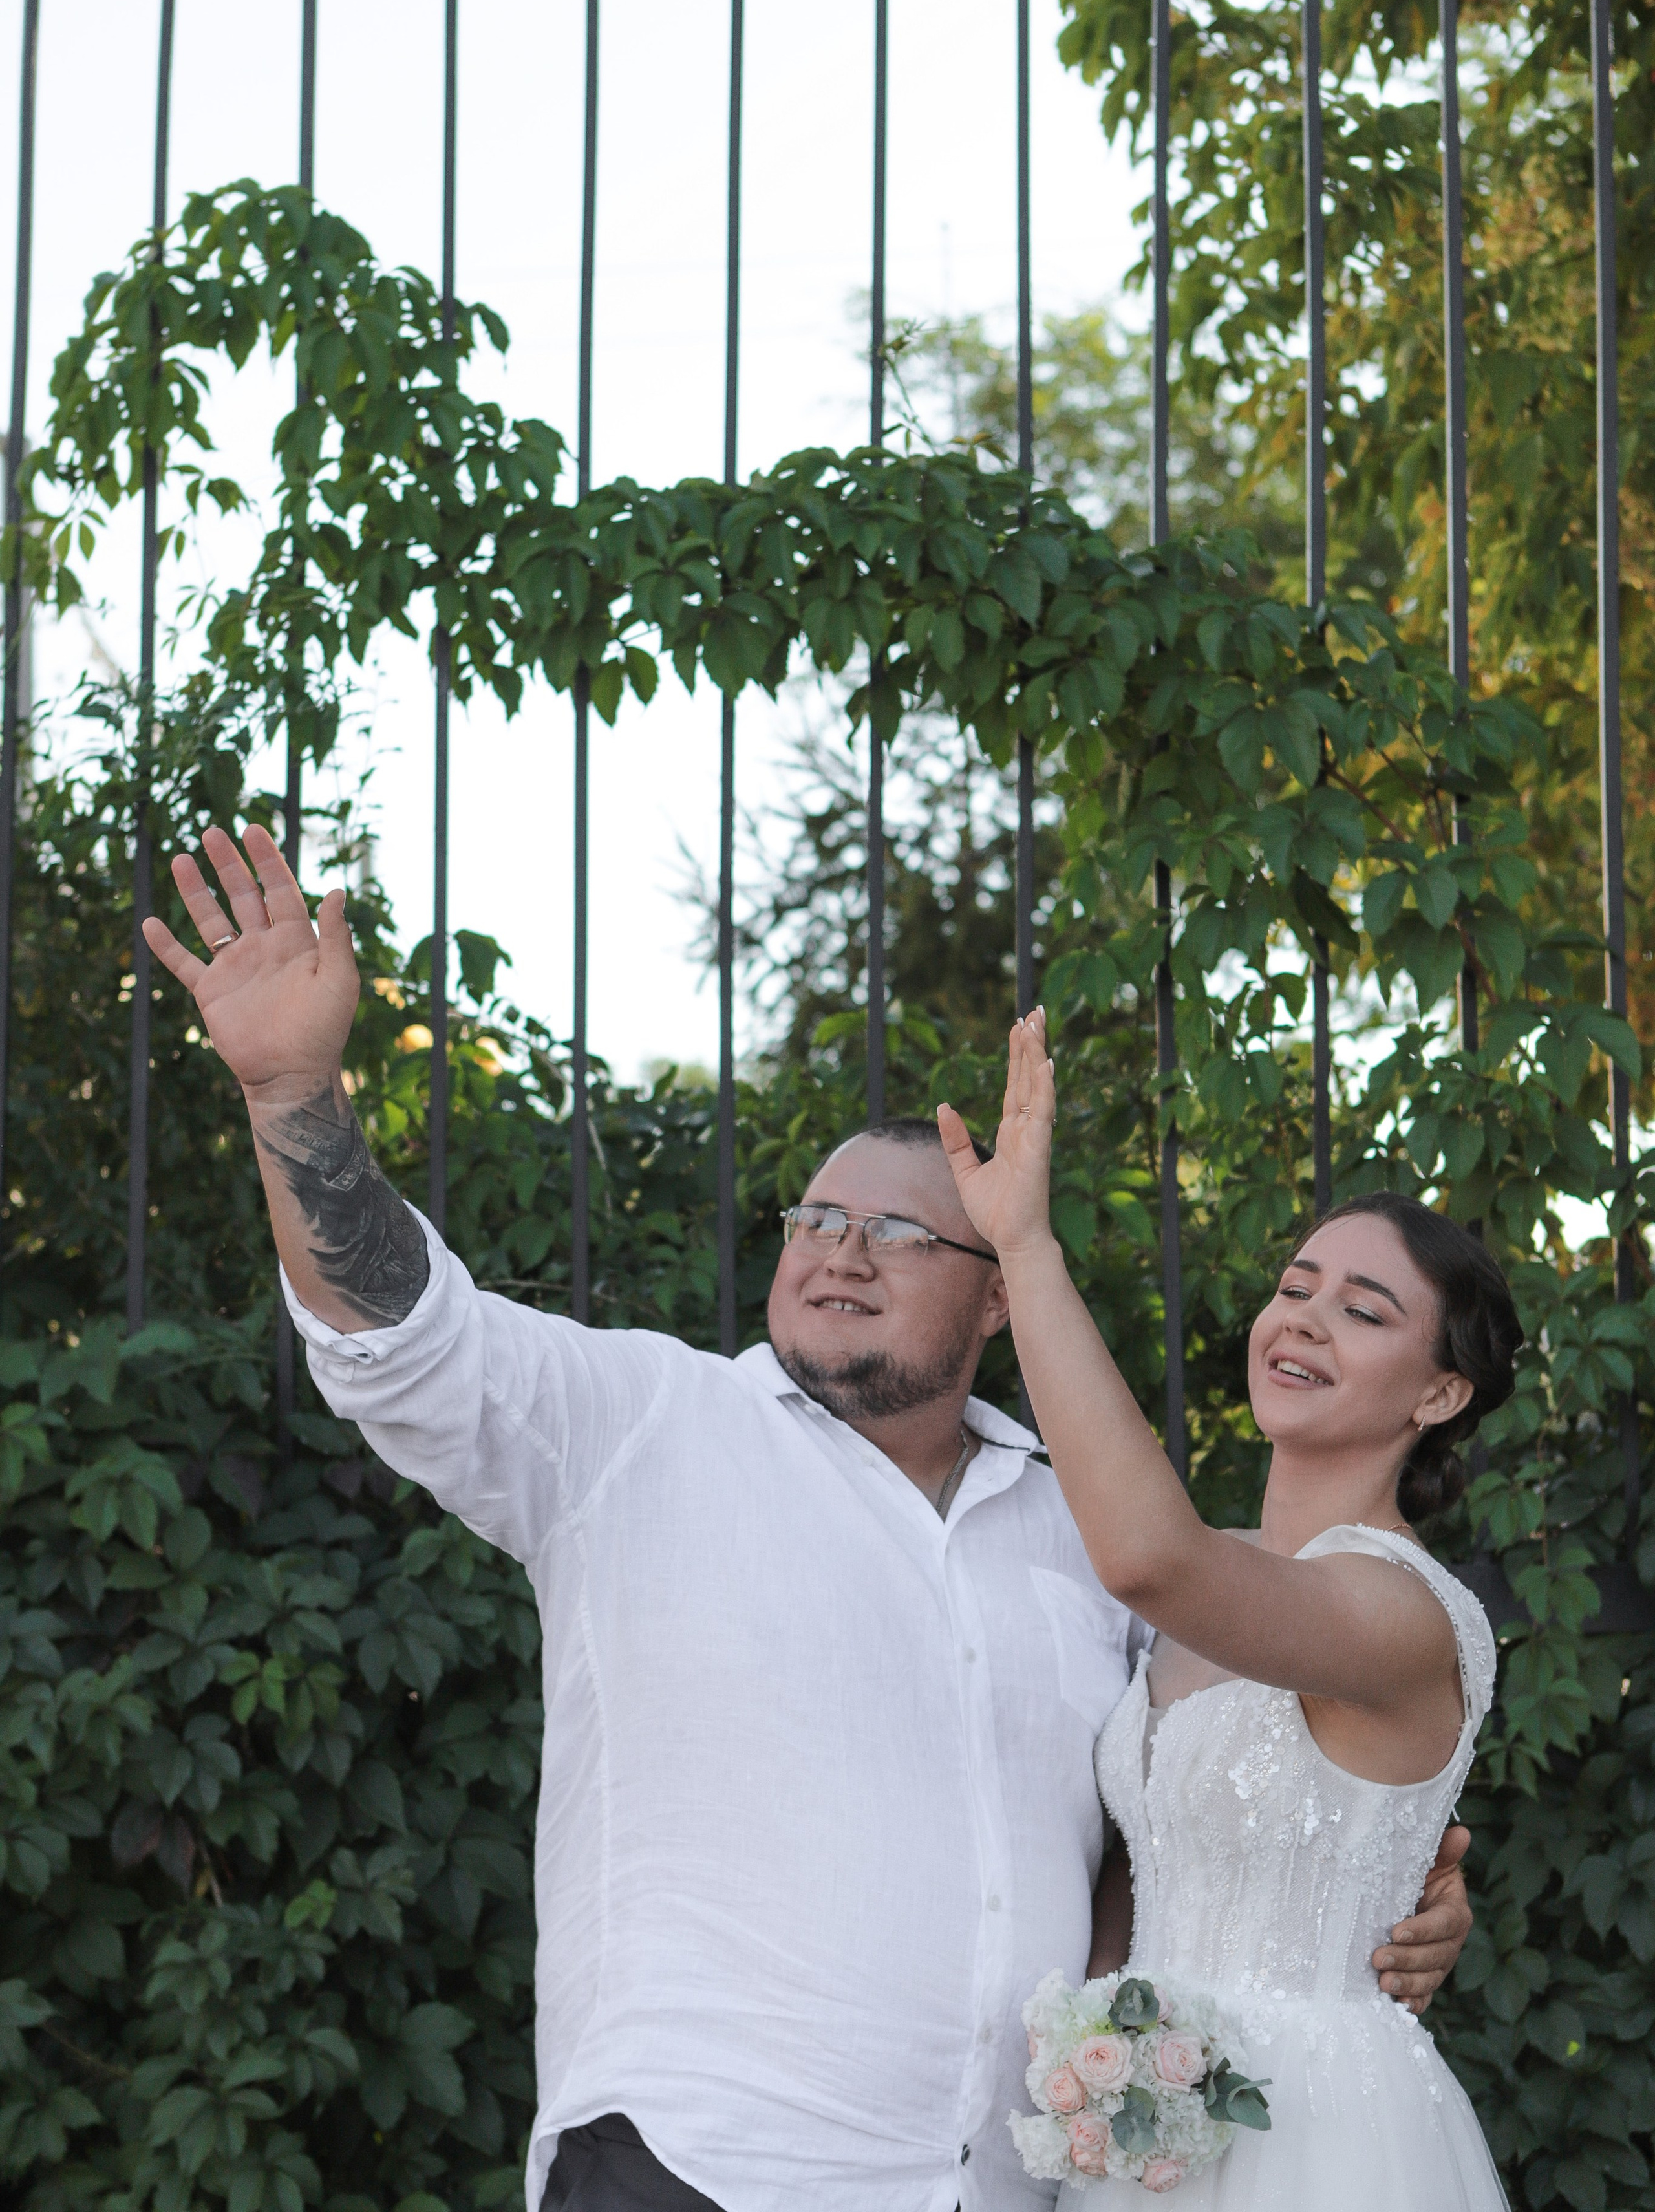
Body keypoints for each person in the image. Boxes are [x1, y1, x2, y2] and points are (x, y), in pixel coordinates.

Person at [142, 826, 1476, 2212]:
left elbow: (1211, 1804)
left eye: (899, 1233)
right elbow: (402, 1343)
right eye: (813, 1216)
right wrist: (296, 1092)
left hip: (989, 2190)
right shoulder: (638, 1426)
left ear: (997, 1294)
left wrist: (1394, 1899)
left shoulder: (1091, 1537)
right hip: (699, 2164)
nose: (838, 1247)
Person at [938, 1010, 1511, 2207]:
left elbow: (1151, 1556)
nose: (1302, 1316)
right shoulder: (1229, 1580)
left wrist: (1027, 1250)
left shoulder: (1403, 1611)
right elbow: (1148, 1866)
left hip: (1322, 2142)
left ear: (1443, 1389)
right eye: (1296, 1286)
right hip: (1142, 2140)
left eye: (1364, 1310)